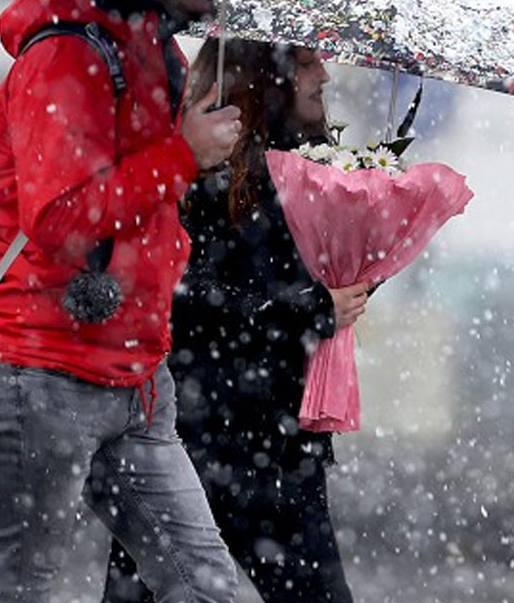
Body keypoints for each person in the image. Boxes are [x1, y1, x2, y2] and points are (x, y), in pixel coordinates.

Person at [0, 0, 244, 603]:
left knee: (205, 588)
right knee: (15, 593)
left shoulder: (157, 54)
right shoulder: (65, 54)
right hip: (40, 372)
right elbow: (59, 218)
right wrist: (182, 156)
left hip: (136, 379)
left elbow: (148, 208)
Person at [102, 39, 372, 603]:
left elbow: (304, 288)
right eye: (307, 63)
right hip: (194, 437)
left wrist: (361, 270)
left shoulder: (315, 169)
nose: (324, 76)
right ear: (264, 76)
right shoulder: (198, 169)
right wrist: (308, 309)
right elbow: (186, 297)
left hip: (279, 442)